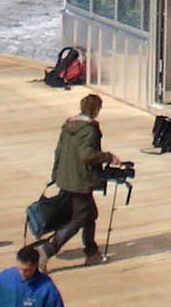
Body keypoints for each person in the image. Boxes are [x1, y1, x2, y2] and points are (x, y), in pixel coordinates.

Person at [43, 93, 123, 264]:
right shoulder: (90, 130)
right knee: (79, 218)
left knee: (90, 214)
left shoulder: (68, 126)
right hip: (81, 181)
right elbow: (87, 155)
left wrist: (55, 174)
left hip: (66, 178)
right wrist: (108, 157)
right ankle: (48, 250)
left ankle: (92, 252)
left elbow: (58, 151)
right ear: (96, 110)